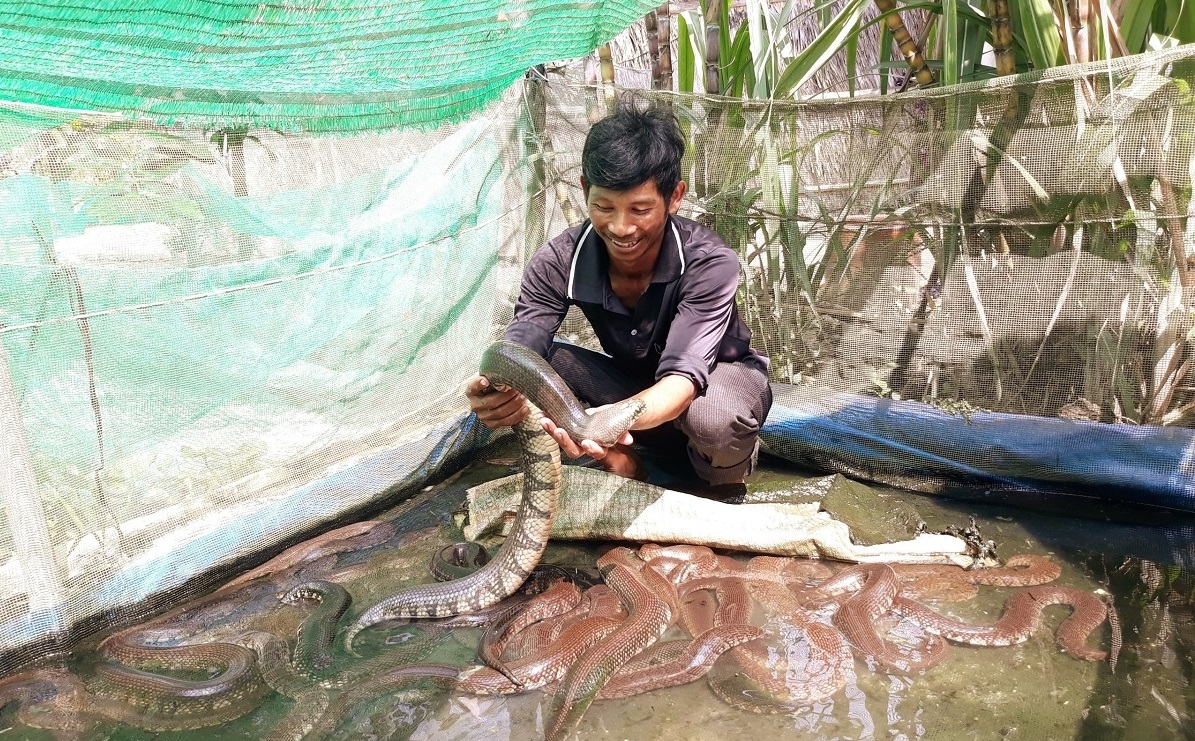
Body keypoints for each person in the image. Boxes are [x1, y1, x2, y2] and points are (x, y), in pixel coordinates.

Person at [466, 103, 772, 495]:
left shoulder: (708, 261)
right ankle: (623, 463)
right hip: (634, 394)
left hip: (714, 384)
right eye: (604, 207)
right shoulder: (559, 260)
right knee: (536, 364)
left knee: (714, 420)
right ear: (584, 189)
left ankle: (722, 483)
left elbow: (681, 381)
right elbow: (519, 348)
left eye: (640, 209)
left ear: (674, 197)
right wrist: (495, 389)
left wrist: (605, 419)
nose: (620, 227)